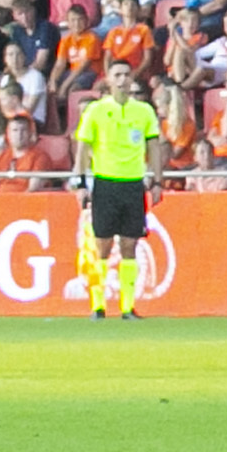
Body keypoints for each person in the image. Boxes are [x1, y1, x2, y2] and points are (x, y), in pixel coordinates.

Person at [71, 59, 163, 320]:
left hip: (133, 183)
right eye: (118, 75)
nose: (123, 79)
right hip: (105, 182)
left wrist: (157, 181)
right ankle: (98, 305)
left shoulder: (144, 111)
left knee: (130, 245)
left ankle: (127, 307)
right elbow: (83, 149)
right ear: (109, 80)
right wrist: (80, 183)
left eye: (126, 74)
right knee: (102, 244)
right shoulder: (96, 111)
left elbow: (153, 147)